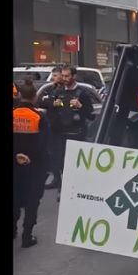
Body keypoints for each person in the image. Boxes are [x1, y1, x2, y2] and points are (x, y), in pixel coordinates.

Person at [41, 66, 96, 194]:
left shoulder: (81, 93)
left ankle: (76, 190)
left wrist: (81, 106)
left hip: (76, 134)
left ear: (74, 76)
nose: (64, 79)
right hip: (60, 134)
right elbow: (46, 103)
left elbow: (90, 114)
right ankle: (62, 190)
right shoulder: (58, 91)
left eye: (67, 76)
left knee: (74, 165)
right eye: (63, 76)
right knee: (59, 162)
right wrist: (53, 104)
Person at [13, 83, 48, 247]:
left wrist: (16, 156)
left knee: (15, 198)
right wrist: (30, 158)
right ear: (34, 97)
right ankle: (27, 237)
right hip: (34, 167)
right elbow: (43, 144)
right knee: (32, 202)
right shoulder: (39, 116)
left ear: (19, 95)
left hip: (15, 166)